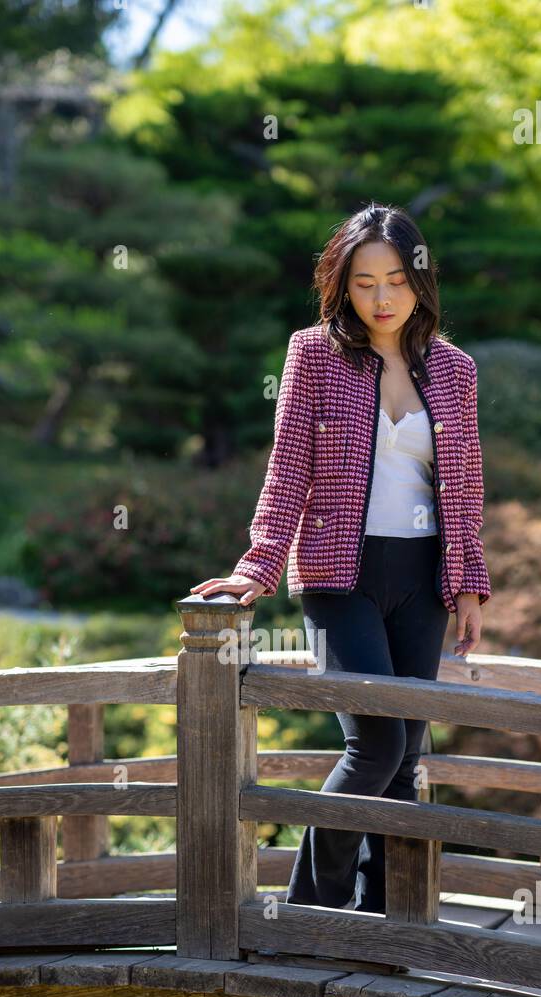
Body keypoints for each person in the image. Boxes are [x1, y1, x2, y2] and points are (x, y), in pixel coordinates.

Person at [190, 202, 491, 915]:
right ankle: (307, 912)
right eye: (364, 283)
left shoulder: (455, 370)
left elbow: (468, 484)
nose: (382, 298)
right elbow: (289, 466)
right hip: (338, 576)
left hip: (424, 580)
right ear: (341, 286)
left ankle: (382, 919)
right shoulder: (314, 354)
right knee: (375, 747)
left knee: (407, 760)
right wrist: (258, 566)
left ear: (420, 281)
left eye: (395, 279)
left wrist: (470, 582)